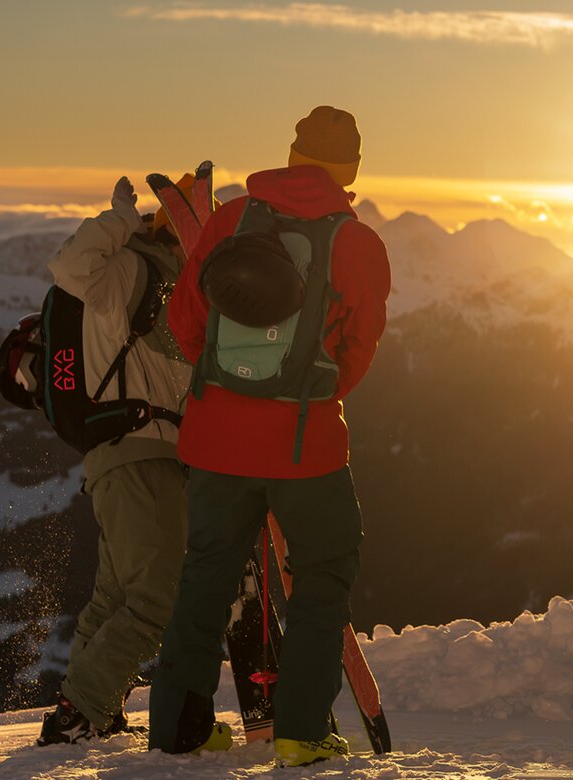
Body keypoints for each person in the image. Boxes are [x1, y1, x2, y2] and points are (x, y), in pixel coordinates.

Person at [148, 106, 391, 768]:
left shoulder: (232, 220)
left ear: (291, 154)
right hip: (303, 445)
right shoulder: (356, 242)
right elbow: (358, 347)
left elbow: (185, 319)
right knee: (321, 571)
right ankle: (301, 729)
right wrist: (306, 394)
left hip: (216, 438)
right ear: (352, 170)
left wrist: (230, 388)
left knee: (206, 576)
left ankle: (179, 727)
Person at [36, 176, 197, 746]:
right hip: (139, 458)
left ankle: (91, 711)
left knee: (115, 598)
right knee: (157, 600)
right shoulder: (135, 271)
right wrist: (120, 220)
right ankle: (80, 710)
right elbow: (71, 267)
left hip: (126, 461)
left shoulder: (174, 284)